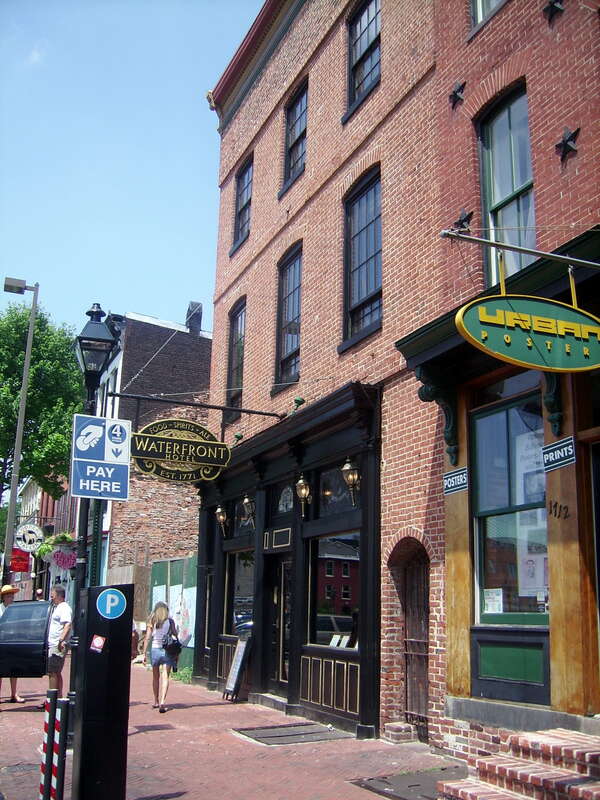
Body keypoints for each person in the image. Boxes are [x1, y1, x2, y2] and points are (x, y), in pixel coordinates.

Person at [142, 601, 178, 713]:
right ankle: (162, 702)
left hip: (155, 650)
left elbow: (147, 637)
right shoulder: (170, 621)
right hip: (167, 650)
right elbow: (175, 635)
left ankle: (156, 701)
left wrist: (143, 653)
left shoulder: (152, 620)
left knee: (155, 677)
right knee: (165, 676)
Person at [0, 585, 25, 706]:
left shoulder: (16, 609)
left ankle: (13, 694)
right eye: (9, 596)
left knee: (13, 669)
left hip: (12, 641)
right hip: (1, 642)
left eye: (12, 596)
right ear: (4, 597)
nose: (11, 598)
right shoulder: (0, 609)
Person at [46, 585, 72, 697]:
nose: (51, 598)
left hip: (57, 644)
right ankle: (58, 697)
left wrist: (61, 640)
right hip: (53, 643)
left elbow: (68, 624)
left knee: (52, 672)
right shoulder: (57, 607)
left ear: (60, 596)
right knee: (56, 672)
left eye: (53, 596)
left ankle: (52, 699)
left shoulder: (64, 608)